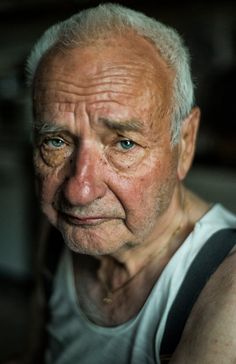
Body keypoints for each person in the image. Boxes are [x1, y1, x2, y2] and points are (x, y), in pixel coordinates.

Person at [9, 3, 236, 364]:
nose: (78, 192)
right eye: (56, 141)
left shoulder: (225, 292)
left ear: (186, 142)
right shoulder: (61, 233)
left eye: (124, 144)